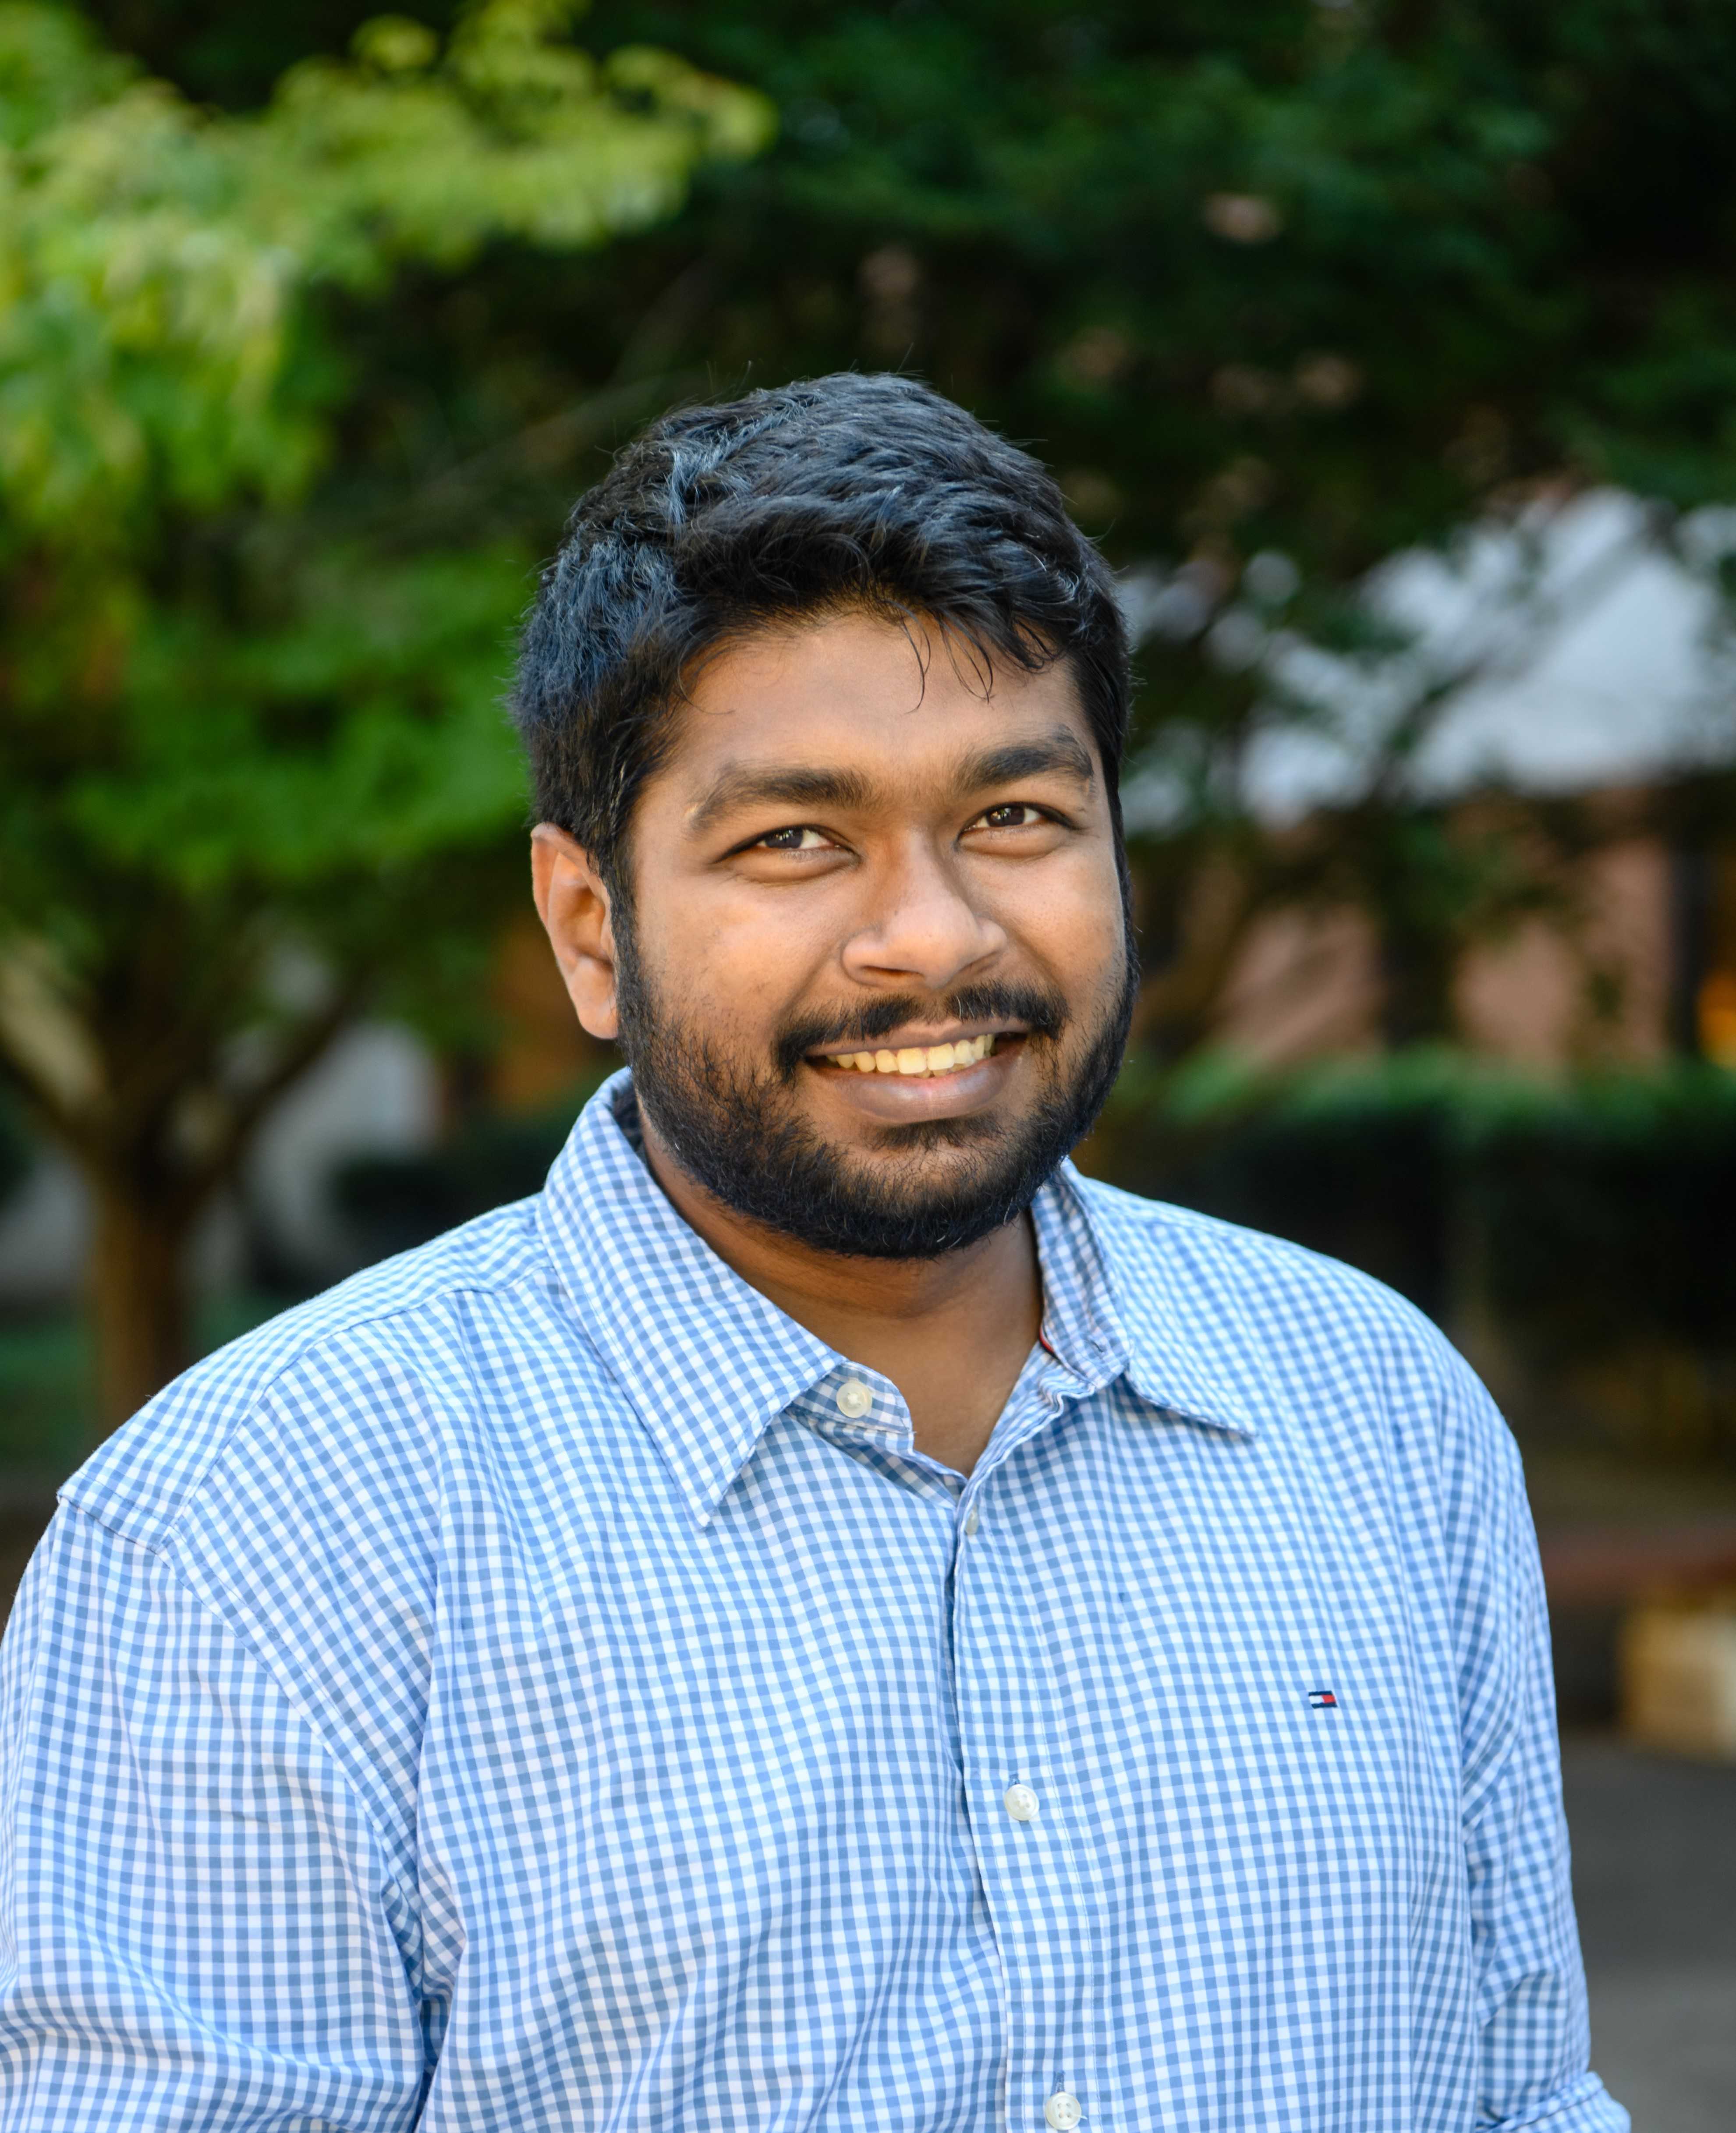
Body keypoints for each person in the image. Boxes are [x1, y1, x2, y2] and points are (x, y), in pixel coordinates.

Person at [0, 374, 1624, 2132]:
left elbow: (1524, 2092)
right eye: (793, 840)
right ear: (588, 926)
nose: (928, 934)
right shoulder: (258, 1532)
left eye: (1014, 815)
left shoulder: (1379, 1409)